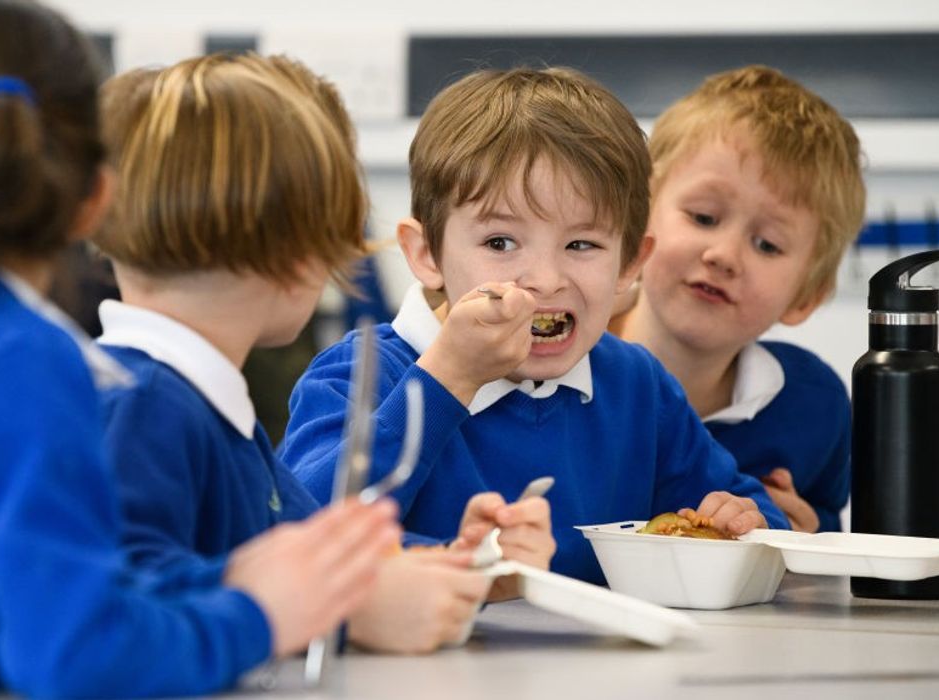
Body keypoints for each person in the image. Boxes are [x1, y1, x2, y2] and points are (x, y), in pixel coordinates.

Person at [0, 2, 398, 697]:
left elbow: (42, 599)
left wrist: (224, 581)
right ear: (96, 196)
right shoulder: (26, 365)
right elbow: (78, 660)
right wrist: (257, 616)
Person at [95, 54, 547, 652]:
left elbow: (296, 545)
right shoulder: (145, 408)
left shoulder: (193, 400)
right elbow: (106, 627)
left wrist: (445, 561)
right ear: (303, 259)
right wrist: (342, 616)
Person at [281, 67, 788, 584]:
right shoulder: (361, 373)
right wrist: (448, 378)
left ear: (631, 263)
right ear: (427, 254)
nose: (545, 280)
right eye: (500, 243)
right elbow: (300, 533)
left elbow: (760, 522)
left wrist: (740, 523)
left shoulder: (637, 384)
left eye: (581, 245)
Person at [611, 66, 865, 533]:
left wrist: (805, 539)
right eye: (704, 217)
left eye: (767, 244)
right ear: (636, 216)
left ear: (805, 295)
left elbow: (824, 526)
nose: (724, 255)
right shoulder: (555, 360)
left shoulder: (814, 407)